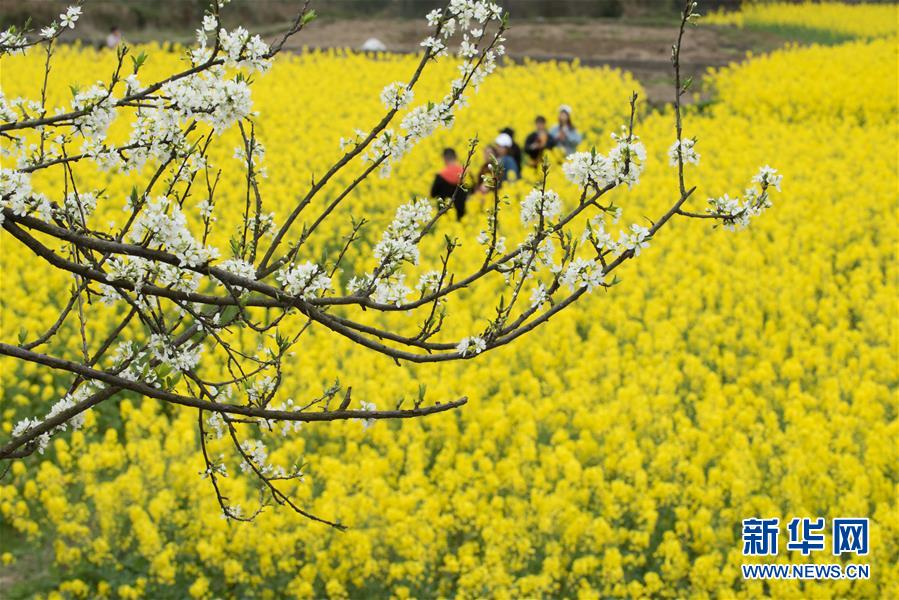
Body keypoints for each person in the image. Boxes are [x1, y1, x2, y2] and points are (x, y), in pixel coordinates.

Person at [430, 148, 469, 221]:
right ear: (456, 156)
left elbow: (433, 194)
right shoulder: (466, 174)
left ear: (444, 158)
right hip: (461, 218)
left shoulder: (441, 175)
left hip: (444, 216)